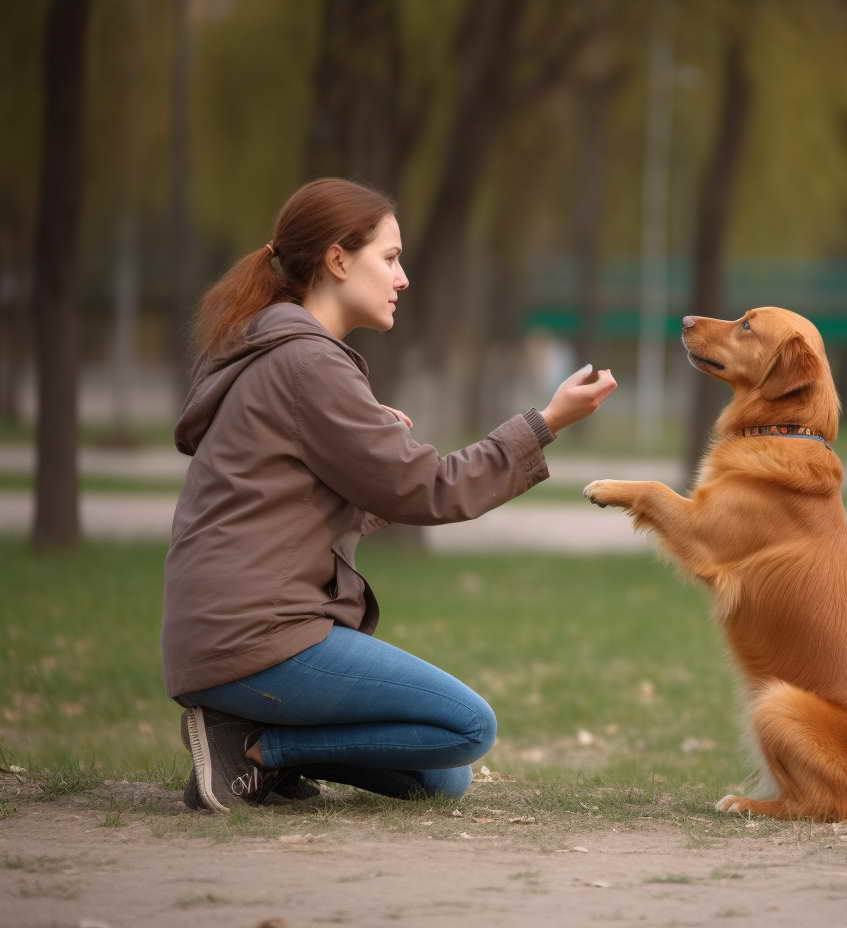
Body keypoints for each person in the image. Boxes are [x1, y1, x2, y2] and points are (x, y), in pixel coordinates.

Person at [163, 177, 617, 813]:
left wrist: (367, 454)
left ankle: (245, 748)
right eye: (390, 258)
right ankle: (263, 752)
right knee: (468, 727)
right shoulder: (307, 364)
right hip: (254, 637)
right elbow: (431, 489)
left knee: (442, 778)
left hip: (224, 634)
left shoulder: (280, 353)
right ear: (338, 259)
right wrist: (546, 423)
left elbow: (304, 499)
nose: (402, 279)